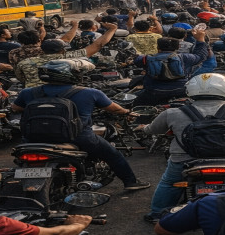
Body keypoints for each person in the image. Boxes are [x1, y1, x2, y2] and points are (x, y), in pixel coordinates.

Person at [140, 74, 225, 223]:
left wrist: (143, 128)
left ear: (189, 90)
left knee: (169, 182)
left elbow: (152, 130)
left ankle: (157, 214)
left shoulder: (172, 113)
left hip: (185, 161)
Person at [13, 59, 149, 192]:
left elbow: (16, 108)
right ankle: (131, 182)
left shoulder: (28, 92)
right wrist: (127, 112)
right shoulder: (89, 92)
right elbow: (115, 109)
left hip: (34, 138)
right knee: (113, 155)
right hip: (79, 137)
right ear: (71, 74)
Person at [15, 22, 117, 88]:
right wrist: (112, 29)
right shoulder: (69, 57)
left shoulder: (24, 62)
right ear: (62, 50)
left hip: (31, 95)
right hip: (64, 94)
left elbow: (21, 78)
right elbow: (97, 45)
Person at [131, 30, 209, 106]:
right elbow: (200, 56)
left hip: (154, 92)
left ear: (158, 47)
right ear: (178, 47)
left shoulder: (147, 59)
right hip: (180, 91)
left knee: (134, 105)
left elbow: (136, 60)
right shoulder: (184, 57)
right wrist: (200, 40)